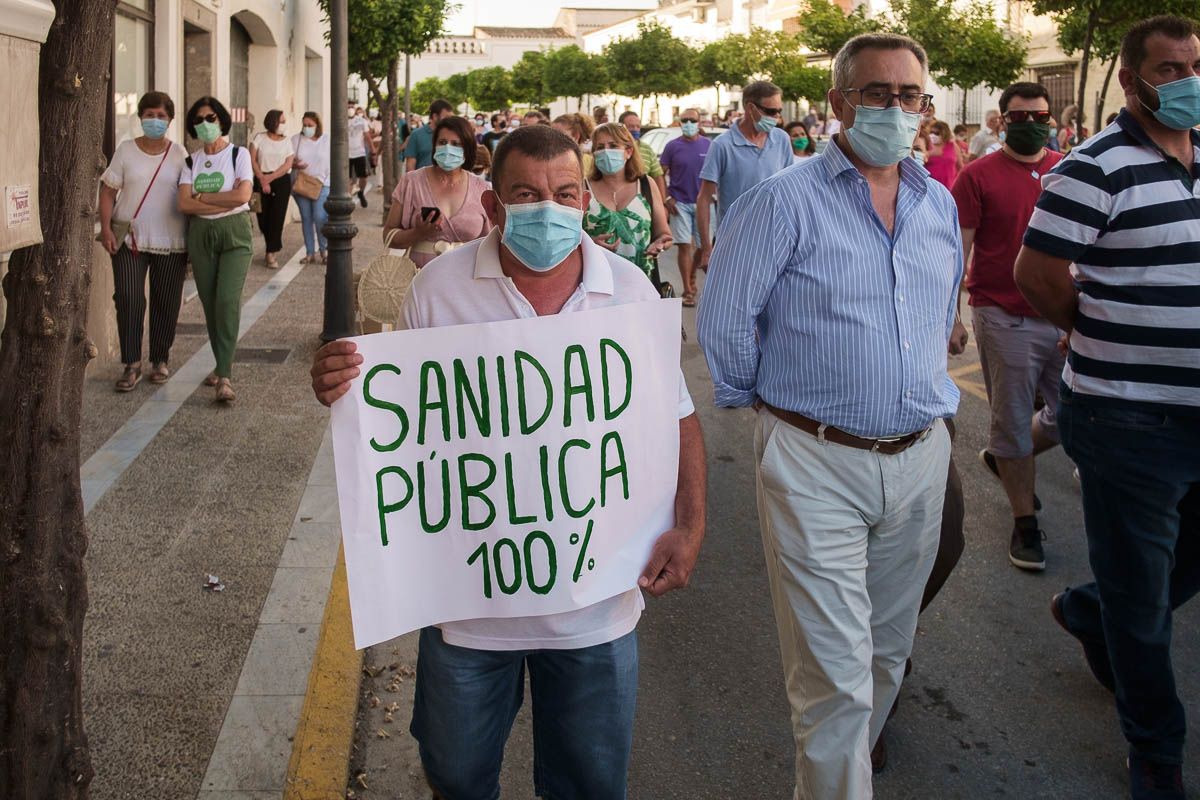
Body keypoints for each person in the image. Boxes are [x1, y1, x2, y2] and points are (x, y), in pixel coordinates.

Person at [310, 124, 706, 800]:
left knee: (588, 782)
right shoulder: (437, 290)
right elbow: (399, 414)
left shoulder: (633, 294)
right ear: (493, 207)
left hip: (596, 608)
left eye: (564, 192)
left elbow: (676, 416)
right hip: (469, 610)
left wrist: (690, 526)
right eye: (526, 193)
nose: (548, 208)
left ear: (585, 202)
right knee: (457, 777)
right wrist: (343, 387)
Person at [698, 33, 959, 798]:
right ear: (840, 103)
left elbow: (940, 308)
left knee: (885, 655)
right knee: (834, 677)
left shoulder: (935, 201)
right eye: (880, 93)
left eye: (911, 96)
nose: (897, 109)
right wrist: (769, 412)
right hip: (815, 458)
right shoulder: (783, 201)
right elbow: (724, 318)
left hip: (919, 455)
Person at [1014, 16, 1200, 800]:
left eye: (1194, 65)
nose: (1186, 81)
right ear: (1131, 81)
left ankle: (1090, 610)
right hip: (1127, 419)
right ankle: (1155, 749)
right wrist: (1092, 330)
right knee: (1143, 598)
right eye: (1168, 68)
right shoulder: (1094, 168)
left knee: (1159, 574)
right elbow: (1037, 274)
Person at [951, 82, 1063, 571]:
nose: (1030, 124)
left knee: (1074, 414)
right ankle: (1026, 525)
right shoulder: (977, 177)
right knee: (1014, 421)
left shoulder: (1069, 170)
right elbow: (958, 252)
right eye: (1018, 118)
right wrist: (951, 317)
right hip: (1003, 316)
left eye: (1038, 115)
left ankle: (1003, 456)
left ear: (1050, 117)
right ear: (1001, 122)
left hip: (1065, 316)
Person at [99, 90, 190, 391]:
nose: (155, 120)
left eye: (161, 116)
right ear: (140, 118)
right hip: (130, 240)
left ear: (170, 120)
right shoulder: (125, 150)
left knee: (166, 302)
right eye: (149, 115)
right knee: (128, 299)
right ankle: (131, 364)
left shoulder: (180, 154)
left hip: (172, 241)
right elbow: (109, 191)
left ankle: (160, 359)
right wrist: (107, 229)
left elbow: (190, 196)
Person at [177, 96, 254, 404]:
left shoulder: (239, 154)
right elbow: (183, 203)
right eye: (198, 120)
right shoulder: (190, 161)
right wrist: (222, 195)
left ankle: (225, 376)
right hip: (201, 236)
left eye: (210, 118)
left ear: (222, 120)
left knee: (227, 300)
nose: (205, 124)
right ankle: (222, 362)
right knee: (209, 303)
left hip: (234, 233)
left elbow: (242, 195)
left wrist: (204, 197)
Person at [696, 81, 793, 270]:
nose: (777, 117)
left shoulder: (781, 139)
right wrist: (707, 249)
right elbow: (704, 199)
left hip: (776, 242)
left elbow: (791, 189)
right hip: (734, 242)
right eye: (771, 111)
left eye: (779, 111)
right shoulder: (722, 145)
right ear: (751, 108)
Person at [383, 115, 492, 269]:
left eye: (456, 144)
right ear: (434, 145)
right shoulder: (411, 182)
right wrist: (418, 233)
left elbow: (490, 243)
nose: (448, 148)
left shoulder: (483, 189)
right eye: (442, 142)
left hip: (466, 282)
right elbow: (388, 235)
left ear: (467, 148)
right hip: (420, 280)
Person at [583, 122, 673, 284]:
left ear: (629, 151)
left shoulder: (646, 185)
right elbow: (569, 239)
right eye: (600, 147)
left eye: (613, 145)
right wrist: (589, 245)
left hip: (641, 284)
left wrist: (660, 243)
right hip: (595, 283)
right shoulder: (582, 188)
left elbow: (664, 234)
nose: (606, 151)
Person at [659, 108, 711, 307]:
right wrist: (667, 197)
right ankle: (688, 290)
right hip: (679, 202)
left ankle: (691, 276)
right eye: (684, 120)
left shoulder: (708, 145)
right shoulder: (673, 146)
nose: (688, 123)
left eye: (692, 120)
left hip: (703, 204)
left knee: (703, 246)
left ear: (699, 122)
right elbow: (660, 173)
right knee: (683, 245)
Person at [248, 109, 294, 268]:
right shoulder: (259, 138)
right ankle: (270, 245)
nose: (283, 125)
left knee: (277, 217)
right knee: (261, 216)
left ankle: (271, 253)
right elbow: (252, 159)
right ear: (272, 121)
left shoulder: (287, 141)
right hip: (260, 179)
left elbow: (288, 164)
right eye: (281, 121)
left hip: (281, 181)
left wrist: (270, 178)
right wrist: (262, 178)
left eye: (284, 121)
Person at [291, 111, 331, 265]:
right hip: (302, 184)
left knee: (320, 217)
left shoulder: (326, 139)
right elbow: (288, 161)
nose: (306, 128)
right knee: (306, 219)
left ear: (317, 125)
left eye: (310, 125)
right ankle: (309, 253)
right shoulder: (296, 140)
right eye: (305, 125)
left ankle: (324, 250)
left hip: (323, 184)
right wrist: (296, 164)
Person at [616, 111, 667, 200]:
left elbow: (658, 176)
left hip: (643, 200)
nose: (635, 129)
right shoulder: (613, 149)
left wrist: (663, 202)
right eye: (631, 126)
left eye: (638, 126)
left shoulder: (647, 149)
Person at [405, 99, 454, 174]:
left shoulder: (452, 135)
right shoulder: (417, 135)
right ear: (435, 116)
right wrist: (412, 183)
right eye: (446, 117)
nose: (449, 121)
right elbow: (410, 164)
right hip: (422, 183)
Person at [924, 119, 963, 189]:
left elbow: (960, 167)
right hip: (930, 187)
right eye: (931, 132)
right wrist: (929, 153)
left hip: (949, 187)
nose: (933, 135)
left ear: (944, 133)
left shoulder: (953, 146)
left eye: (937, 133)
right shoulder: (926, 145)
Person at [347, 105, 374, 207]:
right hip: (346, 154)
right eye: (348, 107)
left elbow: (367, 136)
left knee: (363, 177)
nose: (350, 109)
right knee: (347, 178)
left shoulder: (361, 121)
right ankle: (348, 200)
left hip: (359, 153)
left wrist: (373, 150)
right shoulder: (341, 119)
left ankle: (361, 193)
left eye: (351, 106)